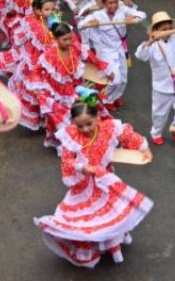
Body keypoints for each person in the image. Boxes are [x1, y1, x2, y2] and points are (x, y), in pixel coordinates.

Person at [34, 95, 153, 268]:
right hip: (84, 183)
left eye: (89, 123)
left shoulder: (108, 128)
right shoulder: (70, 135)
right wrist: (82, 167)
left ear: (97, 117)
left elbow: (128, 135)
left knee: (111, 211)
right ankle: (101, 245)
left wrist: (144, 149)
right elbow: (67, 160)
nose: (85, 129)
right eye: (79, 125)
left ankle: (113, 244)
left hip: (106, 179)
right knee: (89, 216)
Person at [133, 12, 175, 145]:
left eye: (169, 28)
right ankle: (156, 133)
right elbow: (140, 56)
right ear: (155, 30)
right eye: (164, 30)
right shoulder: (151, 45)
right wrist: (149, 41)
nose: (168, 32)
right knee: (159, 113)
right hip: (161, 86)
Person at [78, 0, 147, 110]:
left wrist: (133, 18)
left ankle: (114, 97)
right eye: (110, 3)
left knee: (124, 79)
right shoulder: (97, 15)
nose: (114, 5)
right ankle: (107, 99)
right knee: (115, 79)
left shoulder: (123, 10)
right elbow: (80, 25)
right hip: (105, 51)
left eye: (115, 2)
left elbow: (142, 14)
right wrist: (90, 23)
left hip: (120, 49)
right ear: (104, 4)